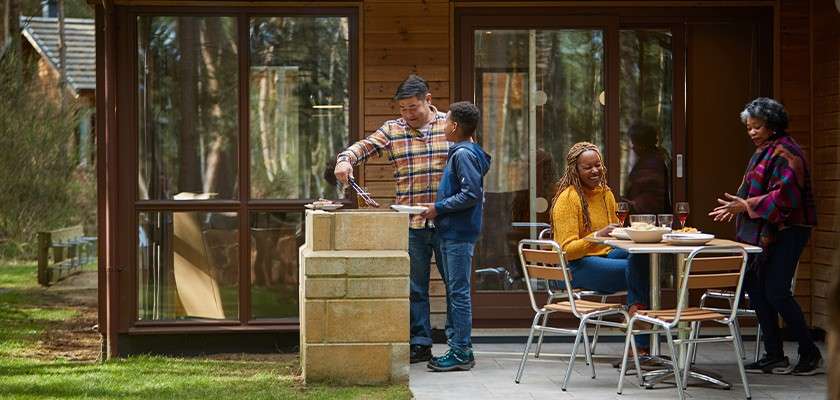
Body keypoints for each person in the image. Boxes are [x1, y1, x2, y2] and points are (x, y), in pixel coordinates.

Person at [334, 75, 450, 364]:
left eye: (413, 108)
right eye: (402, 109)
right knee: (415, 288)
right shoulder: (393, 130)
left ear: (429, 100)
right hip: (411, 224)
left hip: (448, 221)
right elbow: (363, 146)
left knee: (455, 285)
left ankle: (458, 344)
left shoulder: (451, 125)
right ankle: (420, 343)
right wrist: (345, 159)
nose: (407, 114)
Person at [708, 97, 821, 375]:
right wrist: (736, 207)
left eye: (757, 126)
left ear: (772, 125)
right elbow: (749, 192)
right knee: (755, 288)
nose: (752, 132)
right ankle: (774, 355)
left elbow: (785, 198)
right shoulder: (764, 150)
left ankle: (810, 353)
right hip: (764, 231)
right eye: (749, 127)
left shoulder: (787, 153)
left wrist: (744, 206)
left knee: (777, 292)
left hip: (788, 230)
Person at [550, 142, 651, 351]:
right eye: (587, 167)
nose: (595, 171)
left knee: (642, 254)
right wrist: (597, 236)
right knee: (637, 272)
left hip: (604, 256)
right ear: (575, 170)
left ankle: (636, 311)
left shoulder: (606, 194)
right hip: (572, 267)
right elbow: (566, 251)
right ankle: (639, 345)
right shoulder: (568, 199)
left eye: (598, 165)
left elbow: (612, 235)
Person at [420, 101, 491, 371]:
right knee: (455, 291)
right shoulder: (462, 152)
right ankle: (458, 347)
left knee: (458, 293)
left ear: (454, 126)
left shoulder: (463, 154)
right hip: (452, 232)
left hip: (458, 234)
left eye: (445, 121)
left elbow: (471, 194)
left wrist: (437, 208)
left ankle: (461, 351)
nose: (442, 126)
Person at [623, 122, 671, 215]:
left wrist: (633, 204)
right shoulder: (649, 159)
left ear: (642, 144)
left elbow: (654, 193)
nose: (633, 148)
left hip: (649, 218)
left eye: (634, 143)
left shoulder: (653, 162)